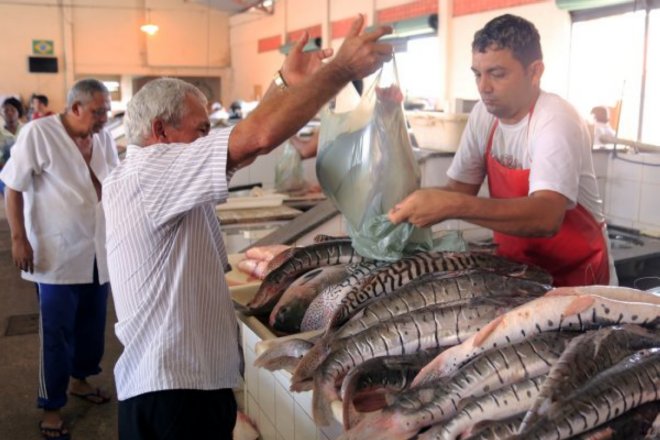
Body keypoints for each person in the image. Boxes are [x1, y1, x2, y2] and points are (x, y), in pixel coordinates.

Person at [102, 14, 392, 439]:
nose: (208, 140)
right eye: (200, 130)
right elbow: (255, 138)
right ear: (160, 131)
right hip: (173, 392)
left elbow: (244, 147)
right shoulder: (152, 172)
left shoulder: (153, 174)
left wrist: (284, 83)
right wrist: (342, 69)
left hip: (183, 385)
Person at [389, 14, 616, 287]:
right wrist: (405, 201)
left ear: (535, 72)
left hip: (577, 278)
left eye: (497, 74)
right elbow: (460, 190)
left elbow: (547, 216)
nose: (483, 87)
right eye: (477, 74)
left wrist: (451, 206)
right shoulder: (483, 116)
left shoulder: (556, 118)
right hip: (521, 275)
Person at [0, 79, 118, 440]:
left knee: (91, 326)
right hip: (55, 255)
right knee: (56, 333)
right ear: (76, 107)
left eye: (106, 110)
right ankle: (51, 406)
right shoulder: (39, 133)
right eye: (99, 111)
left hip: (98, 251)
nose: (105, 117)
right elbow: (14, 187)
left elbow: (114, 183)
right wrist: (19, 239)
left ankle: (79, 381)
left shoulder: (103, 138)